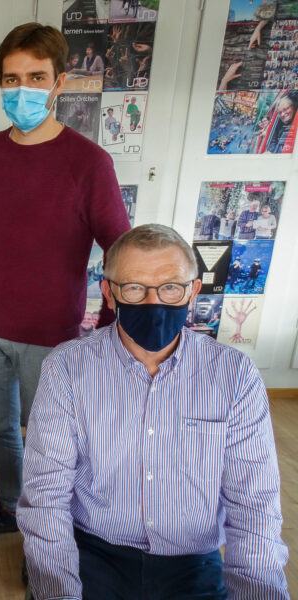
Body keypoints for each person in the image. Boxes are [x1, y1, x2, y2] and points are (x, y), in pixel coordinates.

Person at [19, 224, 288, 599]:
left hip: (192, 561)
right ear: (109, 294)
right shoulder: (66, 368)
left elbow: (254, 503)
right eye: (134, 288)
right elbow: (45, 494)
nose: (153, 302)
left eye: (170, 288)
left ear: (192, 292)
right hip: (94, 551)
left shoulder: (235, 375)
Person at [0, 23, 130, 551]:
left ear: (59, 82)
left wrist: (110, 326)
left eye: (35, 77)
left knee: (53, 443)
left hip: (51, 334)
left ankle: (47, 531)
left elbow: (120, 250)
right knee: (0, 429)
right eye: (11, 79)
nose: (22, 89)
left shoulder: (89, 162)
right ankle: (10, 506)